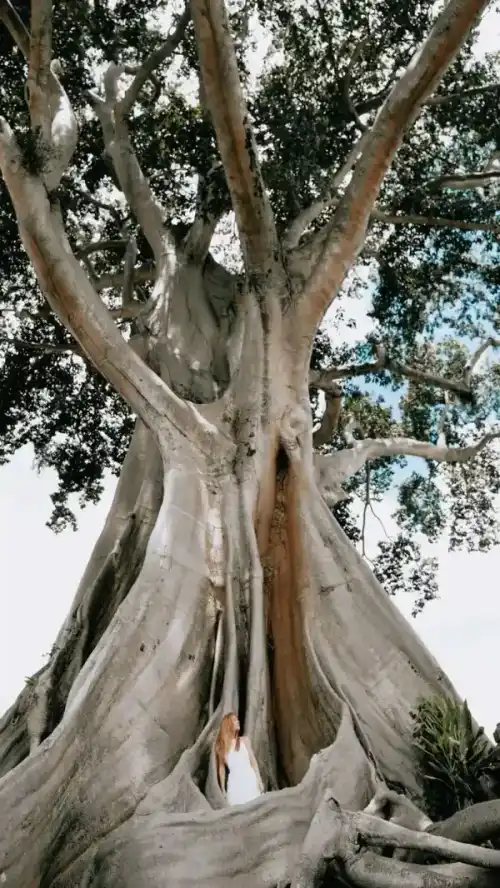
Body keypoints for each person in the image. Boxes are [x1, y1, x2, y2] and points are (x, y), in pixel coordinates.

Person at [215, 712, 264, 805]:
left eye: (237, 719)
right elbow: (221, 769)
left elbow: (253, 762)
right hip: (234, 783)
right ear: (228, 724)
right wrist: (223, 789)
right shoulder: (221, 747)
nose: (238, 721)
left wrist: (259, 780)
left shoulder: (245, 740)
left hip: (250, 780)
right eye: (234, 720)